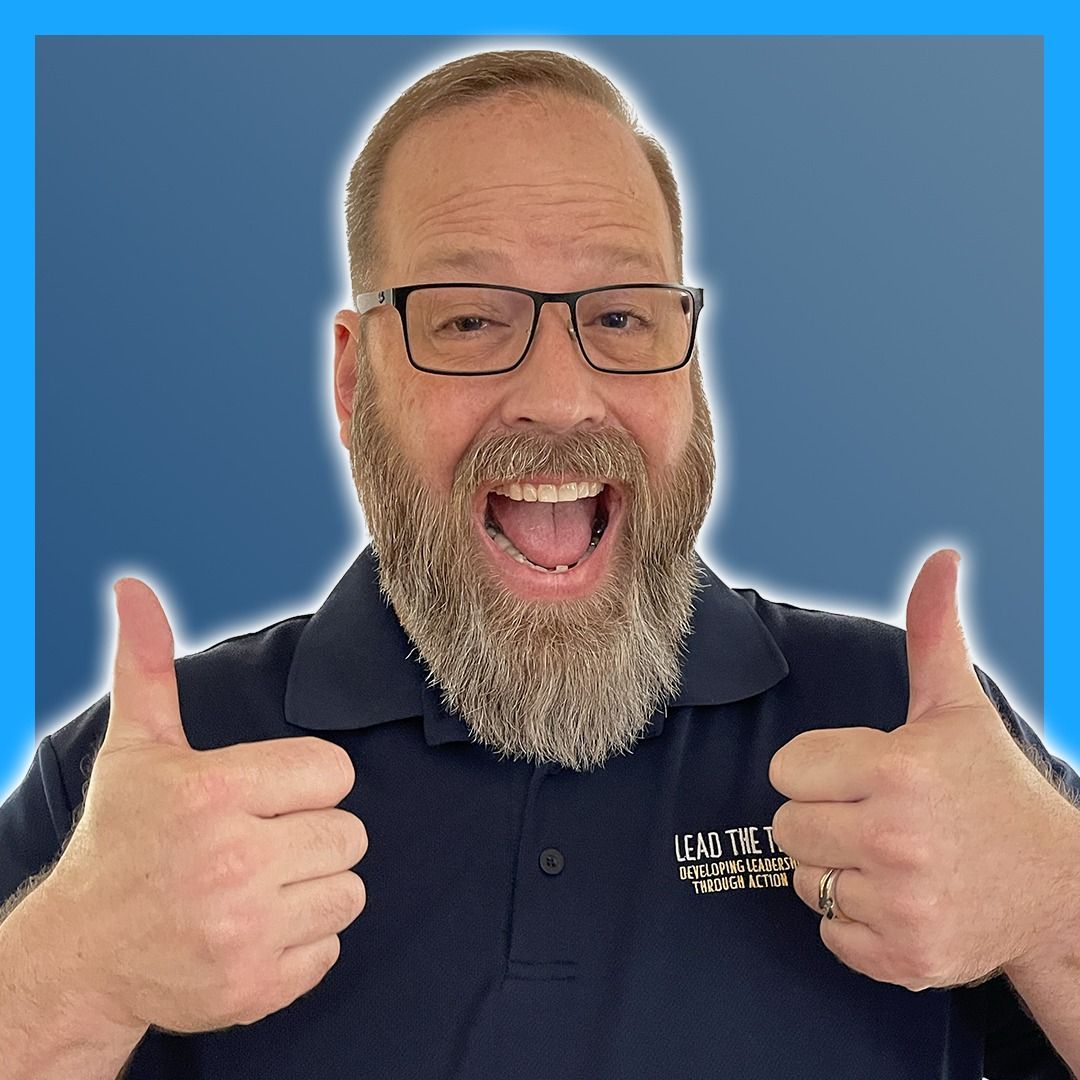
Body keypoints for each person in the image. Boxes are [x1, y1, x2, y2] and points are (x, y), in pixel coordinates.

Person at [2, 48, 1078, 1080]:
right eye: (467, 320)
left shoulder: (913, 735)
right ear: (351, 383)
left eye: (619, 316)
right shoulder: (147, 784)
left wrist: (1048, 903)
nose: (559, 398)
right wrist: (80, 975)